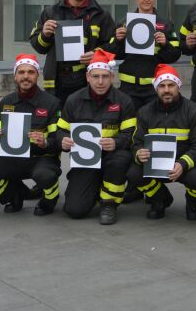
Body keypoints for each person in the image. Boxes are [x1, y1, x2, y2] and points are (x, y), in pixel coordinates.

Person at [0, 54, 63, 215]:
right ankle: (14, 196)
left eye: (30, 72)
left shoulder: (52, 103)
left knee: (45, 176)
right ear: (15, 76)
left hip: (40, 159)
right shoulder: (6, 101)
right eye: (21, 72)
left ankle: (50, 198)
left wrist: (46, 143)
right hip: (12, 158)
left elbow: (57, 140)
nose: (26, 76)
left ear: (37, 75)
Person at [53, 48, 136, 225]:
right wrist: (63, 140)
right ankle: (95, 188)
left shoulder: (124, 101)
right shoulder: (73, 100)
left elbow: (131, 134)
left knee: (121, 159)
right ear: (88, 77)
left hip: (113, 156)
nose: (100, 81)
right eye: (96, 76)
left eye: (105, 76)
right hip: (85, 161)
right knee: (75, 210)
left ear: (112, 77)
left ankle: (109, 203)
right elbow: (60, 131)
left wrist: (116, 142)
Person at [127, 64, 196, 220]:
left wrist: (182, 164)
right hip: (155, 166)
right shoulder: (145, 112)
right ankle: (160, 199)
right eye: (162, 86)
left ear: (178, 86)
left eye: (171, 85)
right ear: (156, 88)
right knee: (133, 172)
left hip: (183, 166)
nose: (166, 90)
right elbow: (136, 142)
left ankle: (193, 201)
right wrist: (138, 153)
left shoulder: (194, 110)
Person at [31, 0, 117, 104]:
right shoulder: (51, 12)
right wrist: (45, 34)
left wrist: (97, 54)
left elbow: (114, 45)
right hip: (56, 81)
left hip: (87, 80)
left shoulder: (101, 15)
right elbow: (39, 47)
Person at [108, 0, 181, 110]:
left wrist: (165, 44)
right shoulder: (123, 23)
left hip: (154, 87)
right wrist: (118, 41)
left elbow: (175, 55)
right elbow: (113, 54)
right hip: (128, 88)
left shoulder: (165, 24)